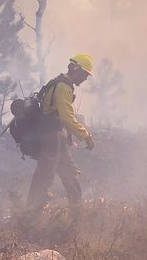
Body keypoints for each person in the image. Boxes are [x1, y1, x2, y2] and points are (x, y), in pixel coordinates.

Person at [26, 53, 96, 223]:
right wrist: (85, 136)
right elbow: (66, 118)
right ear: (76, 69)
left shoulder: (59, 82)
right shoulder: (63, 87)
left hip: (55, 137)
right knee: (44, 177)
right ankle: (27, 217)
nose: (85, 79)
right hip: (51, 138)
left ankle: (76, 218)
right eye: (84, 75)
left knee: (69, 174)